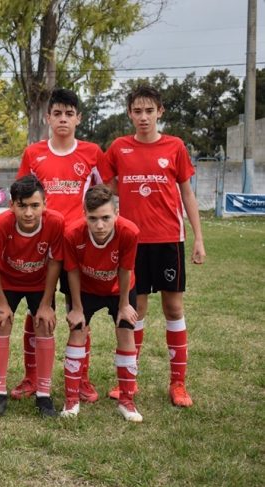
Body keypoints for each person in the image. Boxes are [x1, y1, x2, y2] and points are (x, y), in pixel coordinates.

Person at [100, 85, 205, 407]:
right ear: (129, 113)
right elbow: (107, 184)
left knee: (173, 309)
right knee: (135, 310)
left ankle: (178, 384)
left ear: (160, 112)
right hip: (132, 242)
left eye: (149, 111)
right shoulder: (119, 147)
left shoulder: (174, 147)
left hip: (169, 240)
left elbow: (187, 193)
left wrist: (198, 237)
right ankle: (129, 382)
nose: (143, 117)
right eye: (137, 111)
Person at [13, 88, 104, 403]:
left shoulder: (92, 152)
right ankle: (31, 376)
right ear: (47, 117)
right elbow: (23, 195)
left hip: (79, 246)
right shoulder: (33, 153)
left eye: (69, 114)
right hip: (42, 245)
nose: (63, 119)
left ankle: (81, 379)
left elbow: (103, 196)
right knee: (36, 310)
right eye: (57, 114)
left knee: (78, 311)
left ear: (79, 118)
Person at [61, 185, 143, 422]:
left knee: (126, 333)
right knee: (77, 332)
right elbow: (72, 273)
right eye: (93, 218)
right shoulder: (72, 234)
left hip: (119, 289)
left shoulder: (129, 232)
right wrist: (77, 308)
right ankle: (71, 400)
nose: (99, 225)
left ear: (116, 213)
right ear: (84, 213)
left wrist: (125, 304)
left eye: (106, 218)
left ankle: (127, 401)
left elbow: (126, 269)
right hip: (85, 289)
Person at [0, 175, 64, 417]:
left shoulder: (56, 223)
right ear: (12, 205)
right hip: (8, 282)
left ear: (45, 204)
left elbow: (54, 262)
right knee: (2, 323)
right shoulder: (3, 224)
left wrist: (47, 304)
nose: (28, 212)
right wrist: (0, 303)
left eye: (35, 206)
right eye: (22, 205)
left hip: (39, 283)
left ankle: (44, 395)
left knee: (44, 325)